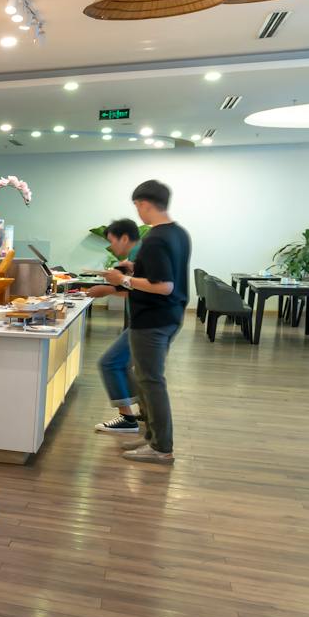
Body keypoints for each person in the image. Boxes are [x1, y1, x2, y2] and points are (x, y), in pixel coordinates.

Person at [105, 180, 190, 464]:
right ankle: (153, 438)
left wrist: (123, 279)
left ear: (144, 203)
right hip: (170, 316)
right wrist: (135, 267)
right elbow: (166, 275)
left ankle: (161, 446)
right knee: (147, 378)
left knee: (151, 381)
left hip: (151, 319)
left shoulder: (155, 238)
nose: (138, 212)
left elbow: (163, 285)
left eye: (137, 206)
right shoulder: (178, 233)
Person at [78, 219, 141, 434]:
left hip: (145, 323)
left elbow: (137, 288)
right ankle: (142, 412)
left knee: (110, 363)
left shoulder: (138, 254)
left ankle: (127, 418)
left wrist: (106, 290)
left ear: (124, 238)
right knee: (125, 365)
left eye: (112, 241)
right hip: (144, 321)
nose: (111, 246)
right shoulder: (134, 256)